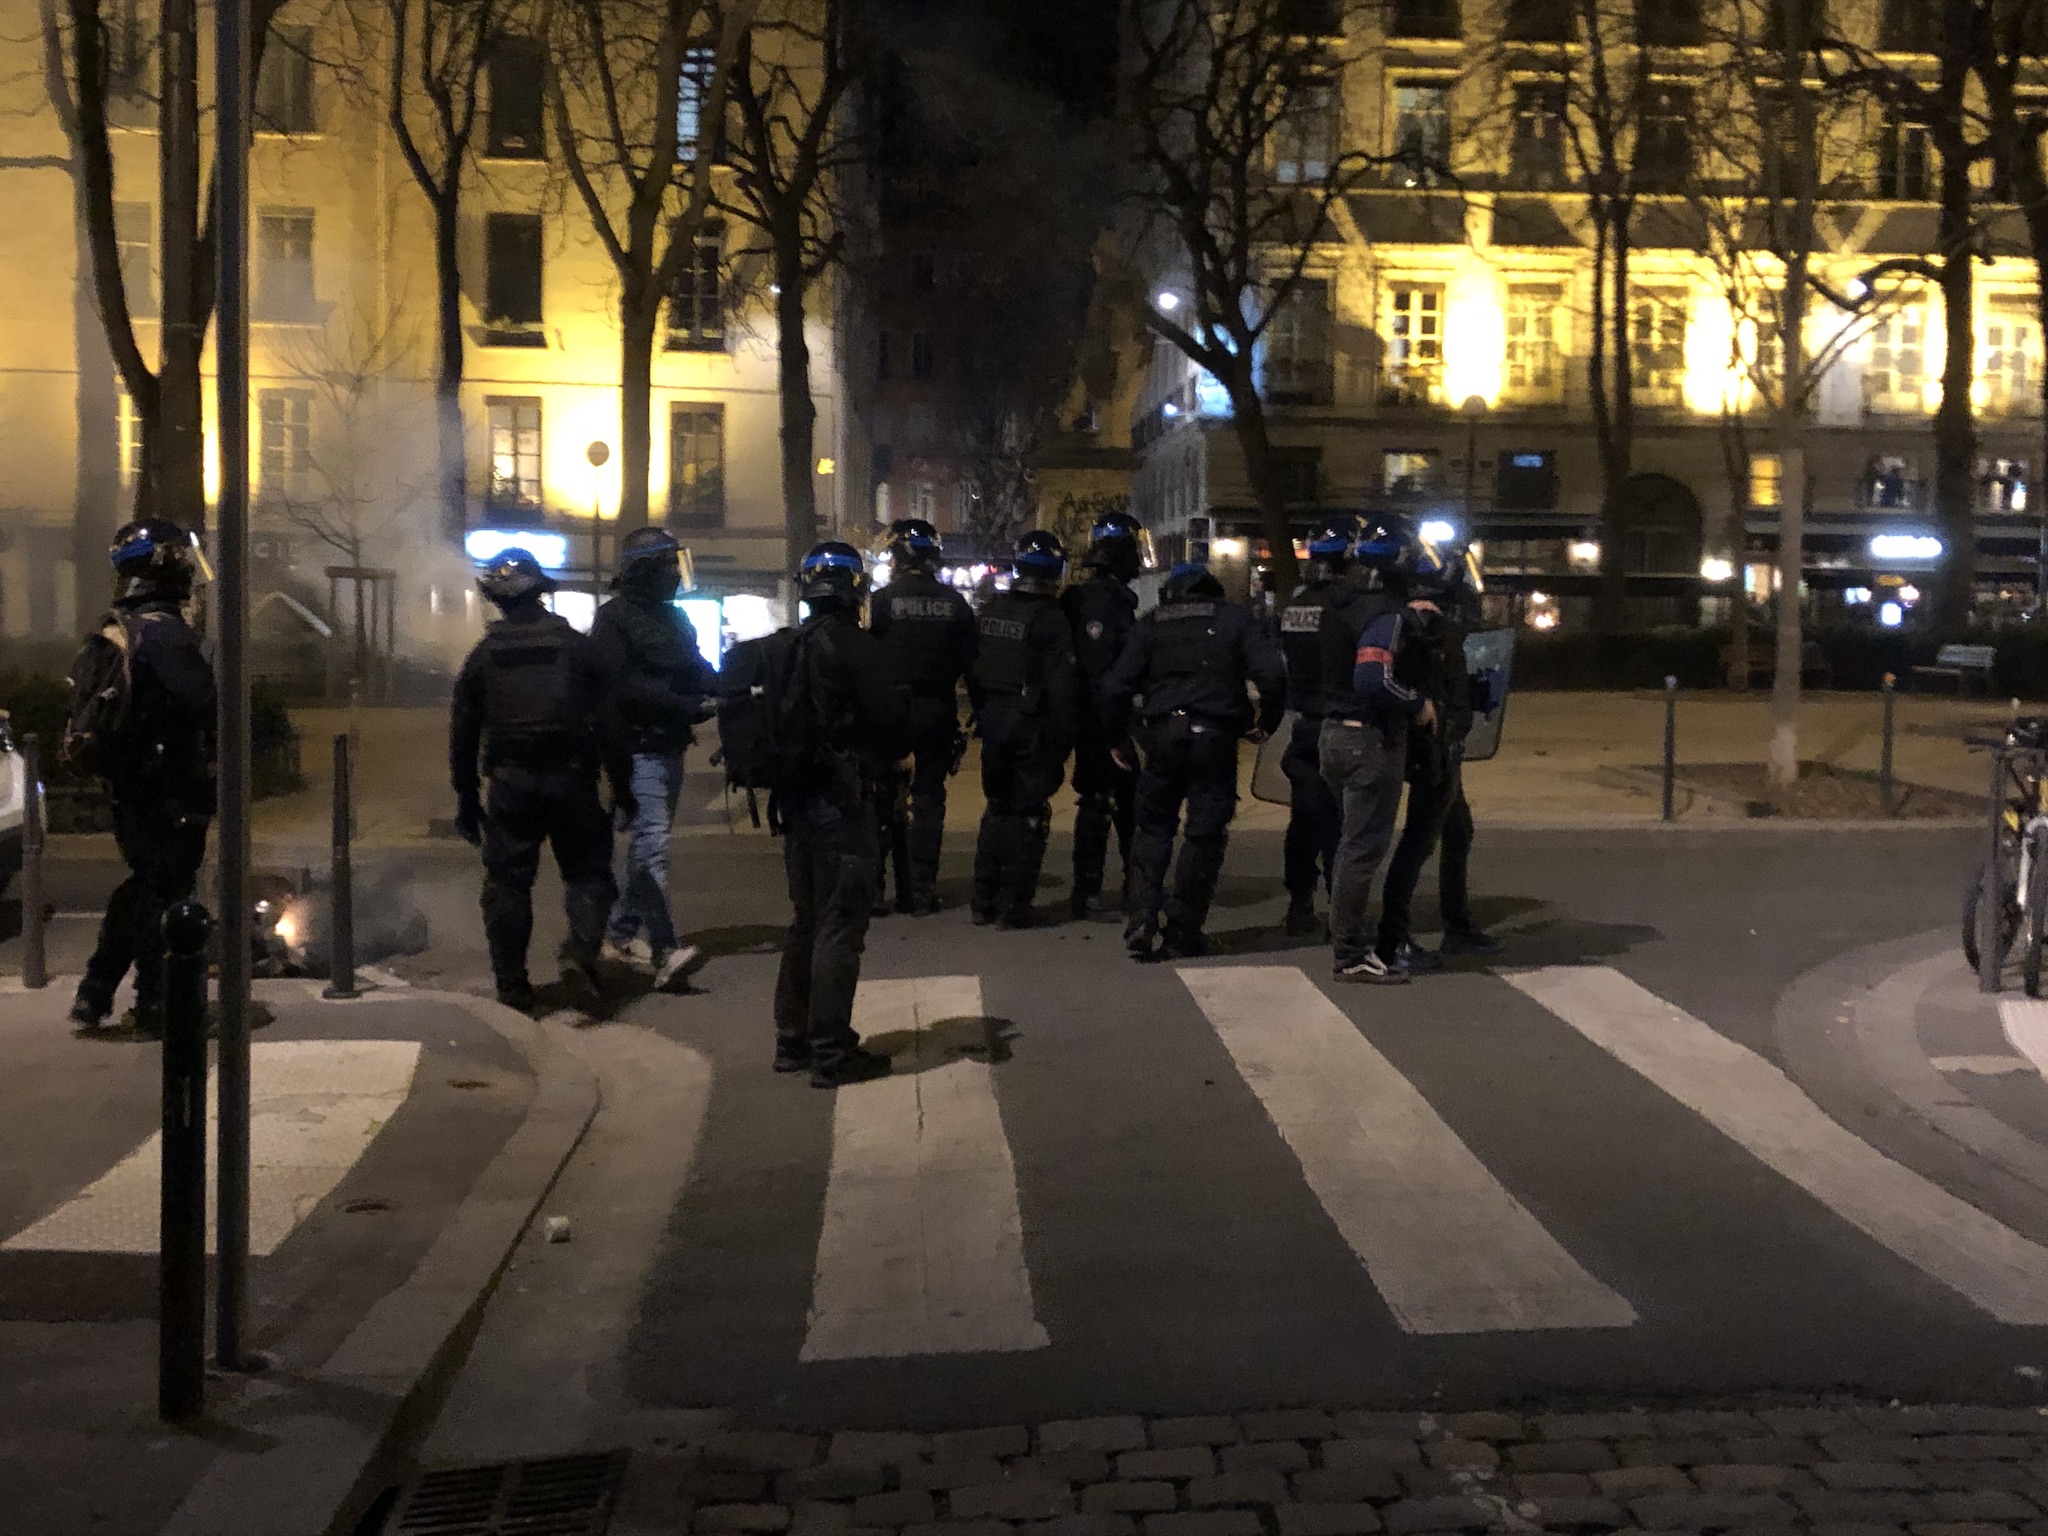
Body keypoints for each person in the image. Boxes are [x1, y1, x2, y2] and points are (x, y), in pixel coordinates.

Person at [450, 548, 624, 1015]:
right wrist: (622, 787)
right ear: (542, 593)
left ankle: (513, 987)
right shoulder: (576, 647)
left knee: (507, 885)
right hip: (573, 781)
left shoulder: (484, 656)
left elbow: (463, 733)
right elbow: (609, 722)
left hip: (511, 785)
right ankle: (580, 953)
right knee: (588, 873)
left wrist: (466, 799)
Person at [69, 520, 218, 1036]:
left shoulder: (120, 626)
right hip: (170, 784)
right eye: (179, 558)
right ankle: (156, 1001)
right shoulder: (166, 634)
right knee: (165, 893)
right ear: (161, 565)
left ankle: (96, 992)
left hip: (131, 781)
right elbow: (203, 706)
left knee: (145, 883)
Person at [773, 542, 911, 1087]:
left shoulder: (788, 647)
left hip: (796, 804)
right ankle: (832, 1051)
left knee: (806, 919)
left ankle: (792, 1039)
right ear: (856, 587)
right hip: (842, 802)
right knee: (839, 927)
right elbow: (891, 723)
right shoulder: (860, 647)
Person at [1101, 560, 1286, 961]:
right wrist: (1265, 722)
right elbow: (1272, 672)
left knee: (1152, 828)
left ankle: (1142, 917)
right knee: (1204, 833)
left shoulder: (1151, 623)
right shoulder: (1234, 619)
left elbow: (1115, 686)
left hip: (1162, 736)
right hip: (1214, 738)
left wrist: (1117, 737)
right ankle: (1183, 929)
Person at [1319, 518, 1443, 985]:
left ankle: (1347, 940)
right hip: (1368, 741)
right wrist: (1418, 705)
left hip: (1332, 734)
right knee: (1361, 850)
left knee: (1349, 845)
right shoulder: (1385, 615)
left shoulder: (1338, 606)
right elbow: (1373, 679)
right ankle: (1350, 953)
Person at [590, 526, 714, 992]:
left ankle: (620, 936)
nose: (674, 575)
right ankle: (665, 950)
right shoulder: (613, 620)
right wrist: (681, 704)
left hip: (669, 744)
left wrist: (731, 685)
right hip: (636, 747)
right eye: (666, 565)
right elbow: (621, 689)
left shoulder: (675, 619)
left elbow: (697, 665)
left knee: (648, 846)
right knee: (652, 846)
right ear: (645, 570)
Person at [1377, 539, 1500, 970]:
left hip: (1433, 742)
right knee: (1418, 841)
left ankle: (1457, 924)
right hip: (1434, 746)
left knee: (1457, 830)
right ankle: (1393, 938)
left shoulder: (1403, 621)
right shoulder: (1429, 627)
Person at [966, 530, 1081, 928]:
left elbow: (975, 671)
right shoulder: (1051, 619)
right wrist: (1063, 741)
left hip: (995, 720)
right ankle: (1015, 906)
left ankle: (983, 900)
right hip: (1032, 723)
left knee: (996, 808)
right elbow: (1063, 688)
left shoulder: (993, 611)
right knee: (1029, 813)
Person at [869, 518, 977, 914]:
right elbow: (972, 664)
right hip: (936, 711)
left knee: (880, 798)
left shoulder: (879, 603)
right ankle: (919, 889)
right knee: (929, 799)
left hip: (887, 714)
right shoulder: (955, 604)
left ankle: (875, 889)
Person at [1277, 515, 1363, 939]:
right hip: (1341, 723)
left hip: (1303, 725)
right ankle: (1340, 910)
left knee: (1304, 820)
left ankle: (1299, 905)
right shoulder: (1348, 604)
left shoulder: (1297, 603)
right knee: (1339, 824)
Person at [1061, 509, 1144, 919]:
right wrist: (1116, 732)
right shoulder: (1102, 602)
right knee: (1108, 806)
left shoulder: (1097, 597)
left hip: (1097, 718)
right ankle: (1095, 891)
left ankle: (1113, 887)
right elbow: (1103, 675)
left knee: (1109, 804)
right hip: (1103, 721)